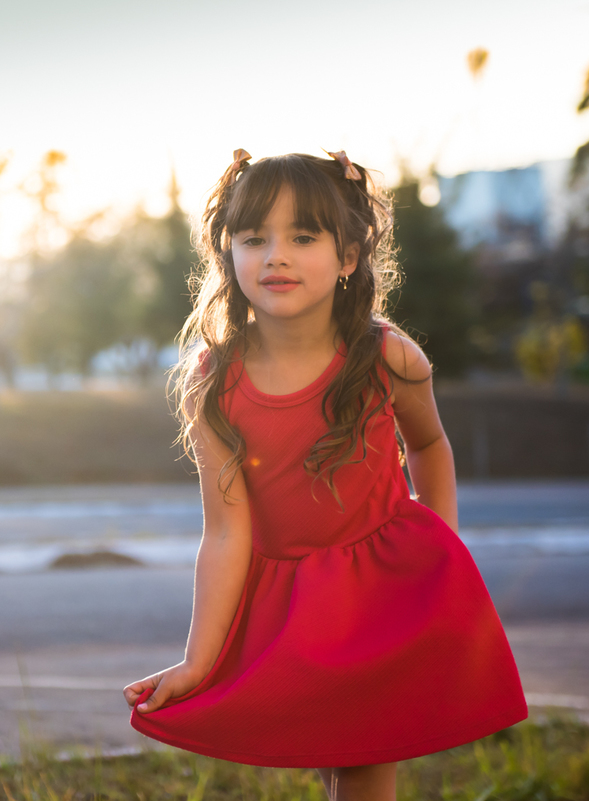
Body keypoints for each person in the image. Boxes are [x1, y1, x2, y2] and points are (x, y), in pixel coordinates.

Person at [124, 150, 526, 798]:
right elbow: (226, 531)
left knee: (364, 762)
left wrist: (440, 552)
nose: (275, 255)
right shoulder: (214, 383)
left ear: (347, 257)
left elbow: (429, 444)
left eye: (303, 236)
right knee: (329, 753)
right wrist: (200, 660)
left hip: (381, 587)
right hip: (286, 603)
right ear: (228, 254)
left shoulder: (389, 356)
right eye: (254, 238)